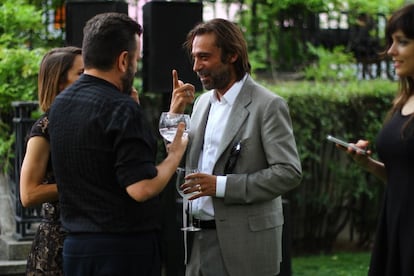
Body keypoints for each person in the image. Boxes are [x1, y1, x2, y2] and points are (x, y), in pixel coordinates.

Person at [48, 13, 190, 275]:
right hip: (122, 252)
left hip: (76, 251)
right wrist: (174, 155)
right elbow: (142, 188)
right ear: (123, 60)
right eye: (135, 59)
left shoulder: (60, 104)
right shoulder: (120, 108)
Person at [171, 18, 302, 276]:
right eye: (194, 57)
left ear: (232, 55)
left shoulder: (268, 105)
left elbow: (288, 173)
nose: (196, 67)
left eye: (204, 57)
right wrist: (174, 115)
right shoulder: (201, 103)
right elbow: (176, 159)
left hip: (246, 248)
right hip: (196, 243)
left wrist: (220, 186)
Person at [334, 4, 414, 276]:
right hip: (394, 228)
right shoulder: (404, 100)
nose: (390, 51)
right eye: (391, 41)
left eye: (402, 42)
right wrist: (368, 165)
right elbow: (402, 177)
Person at [19, 46, 84, 275]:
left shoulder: (83, 121)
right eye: (81, 73)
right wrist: (80, 184)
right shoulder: (45, 128)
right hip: (56, 245)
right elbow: (28, 194)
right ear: (59, 81)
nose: (89, 77)